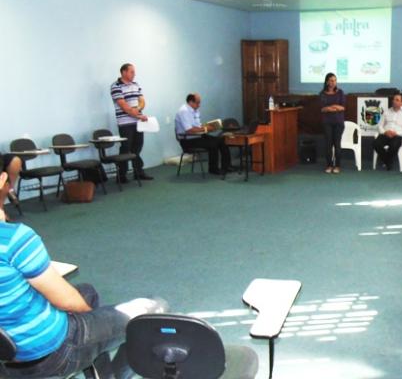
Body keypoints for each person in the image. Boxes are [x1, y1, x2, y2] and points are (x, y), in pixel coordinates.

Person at [0, 175, 168, 379]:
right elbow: (67, 302)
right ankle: (116, 374)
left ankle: (103, 373)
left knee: (88, 291)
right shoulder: (13, 239)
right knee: (154, 309)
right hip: (51, 353)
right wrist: (93, 320)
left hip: (6, 352)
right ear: (2, 179)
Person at [110, 63, 153, 182]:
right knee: (125, 148)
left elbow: (142, 102)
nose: (134, 74)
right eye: (131, 72)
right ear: (124, 72)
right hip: (125, 123)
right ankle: (121, 175)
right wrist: (138, 115)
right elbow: (124, 106)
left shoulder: (136, 84)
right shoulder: (116, 86)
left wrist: (138, 110)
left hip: (138, 122)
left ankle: (138, 172)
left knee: (137, 148)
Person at [174, 93, 231, 175]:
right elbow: (189, 130)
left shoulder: (195, 111)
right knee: (213, 143)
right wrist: (205, 129)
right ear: (190, 102)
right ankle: (213, 169)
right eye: (197, 103)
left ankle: (226, 166)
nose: (199, 105)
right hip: (187, 140)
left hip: (197, 137)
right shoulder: (184, 111)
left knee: (222, 140)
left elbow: (197, 126)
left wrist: (209, 127)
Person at [372, 92, 402, 170]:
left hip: (397, 135)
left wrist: (396, 133)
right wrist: (385, 132)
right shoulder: (387, 111)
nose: (394, 101)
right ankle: (388, 162)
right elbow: (380, 125)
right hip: (386, 134)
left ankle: (386, 162)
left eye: (397, 100)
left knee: (394, 146)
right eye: (393, 99)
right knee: (375, 143)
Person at [320, 73, 345, 174]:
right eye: (331, 80)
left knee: (337, 144)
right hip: (327, 123)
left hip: (338, 123)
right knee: (328, 144)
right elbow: (322, 109)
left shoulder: (340, 92)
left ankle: (337, 166)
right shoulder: (322, 94)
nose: (333, 82)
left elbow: (342, 107)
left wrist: (330, 107)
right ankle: (329, 165)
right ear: (327, 82)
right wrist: (334, 107)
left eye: (335, 80)